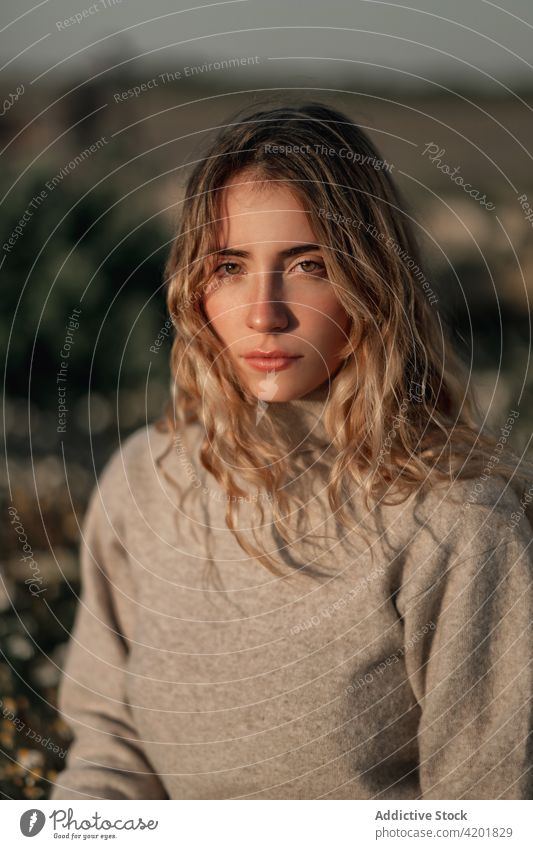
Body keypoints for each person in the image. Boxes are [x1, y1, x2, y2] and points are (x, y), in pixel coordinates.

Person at [50, 100, 533, 800]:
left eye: (307, 264)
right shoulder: (143, 485)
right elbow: (110, 750)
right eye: (230, 266)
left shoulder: (459, 525)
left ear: (374, 279)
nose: (263, 311)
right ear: (193, 283)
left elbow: (484, 815)